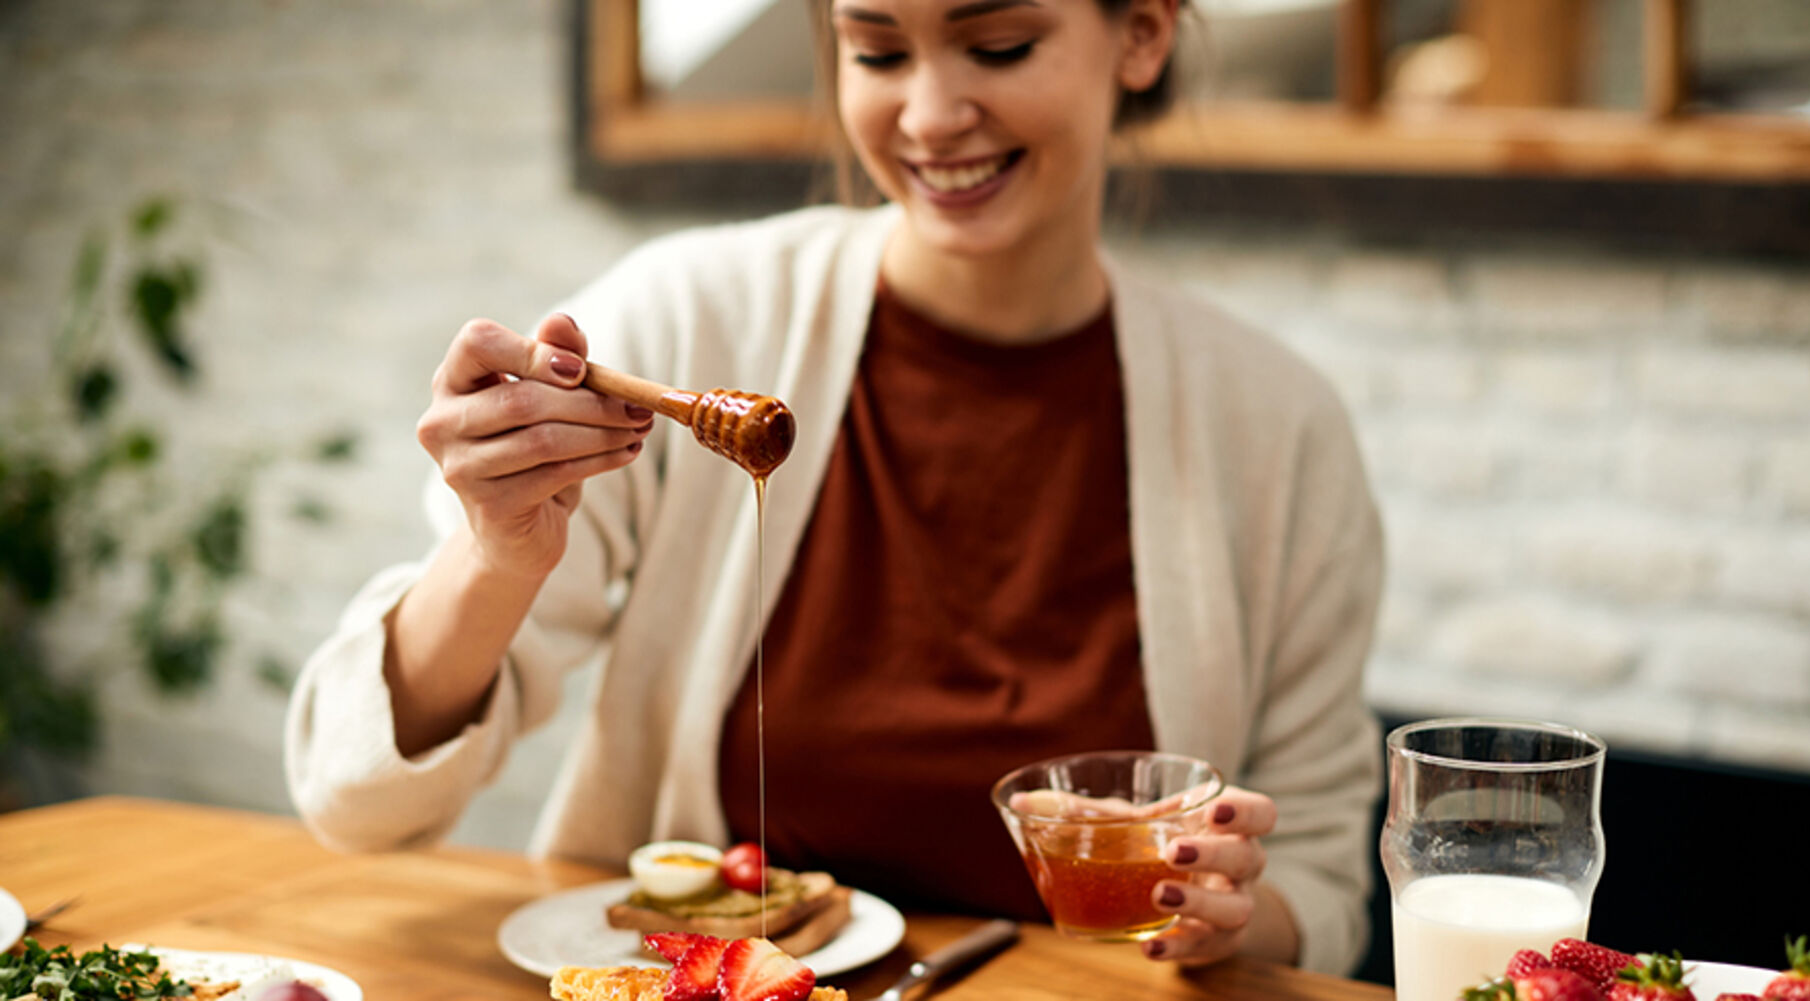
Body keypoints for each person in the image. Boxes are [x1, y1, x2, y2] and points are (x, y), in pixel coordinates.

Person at [285, 0, 1385, 976]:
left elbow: (1327, 888)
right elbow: (354, 799)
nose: (928, 115)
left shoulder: (1278, 428)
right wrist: (496, 554)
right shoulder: (689, 321)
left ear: (1141, 34)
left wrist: (1229, 909)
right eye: (876, 50)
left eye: (997, 44)